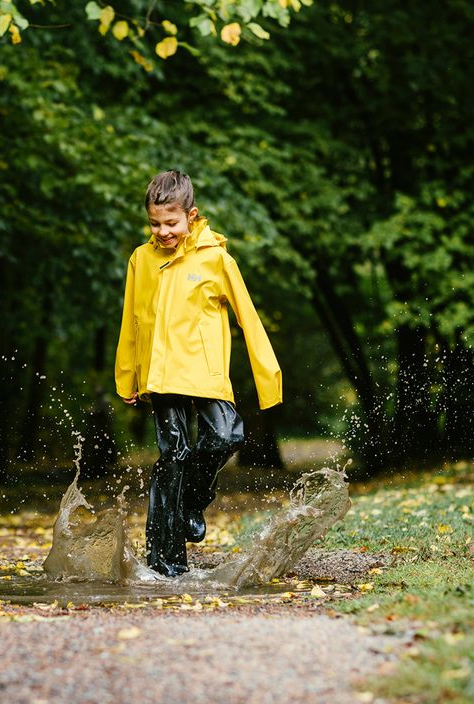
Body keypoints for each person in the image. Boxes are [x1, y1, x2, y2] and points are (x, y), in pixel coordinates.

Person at [114, 170, 282, 577]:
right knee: (173, 455)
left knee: (228, 435)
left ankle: (192, 501)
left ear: (191, 215)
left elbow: (249, 318)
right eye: (155, 223)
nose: (163, 231)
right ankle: (165, 560)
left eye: (171, 223)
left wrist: (268, 378)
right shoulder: (142, 259)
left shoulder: (216, 258)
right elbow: (131, 321)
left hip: (205, 373)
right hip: (160, 374)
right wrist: (127, 376)